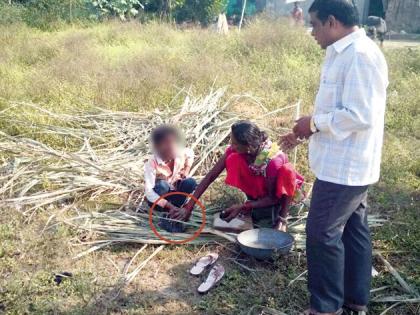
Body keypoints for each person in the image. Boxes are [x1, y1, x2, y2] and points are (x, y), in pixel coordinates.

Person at [281, 1, 388, 314]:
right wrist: (311, 129)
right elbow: (342, 107)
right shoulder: (342, 52)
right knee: (354, 230)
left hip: (345, 169)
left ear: (332, 21)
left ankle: (326, 308)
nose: (311, 31)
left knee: (321, 234)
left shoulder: (360, 55)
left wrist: (314, 123)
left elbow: (361, 115)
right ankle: (355, 302)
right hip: (346, 163)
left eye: (314, 24)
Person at [178, 121, 303, 232]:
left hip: (279, 197)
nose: (232, 146)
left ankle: (281, 218)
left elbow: (273, 198)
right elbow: (211, 176)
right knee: (233, 158)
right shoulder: (241, 151)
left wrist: (244, 206)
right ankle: (254, 202)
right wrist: (189, 206)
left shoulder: (272, 162)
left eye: (235, 144)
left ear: (248, 147)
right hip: (261, 193)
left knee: (287, 172)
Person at [144, 125, 197, 218]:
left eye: (172, 142)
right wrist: (168, 205)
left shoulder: (178, 152)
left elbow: (190, 153)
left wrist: (186, 169)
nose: (171, 146)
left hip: (175, 193)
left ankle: (177, 208)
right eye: (166, 144)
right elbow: (149, 193)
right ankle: (162, 211)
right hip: (160, 199)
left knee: (190, 182)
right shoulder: (152, 162)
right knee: (162, 186)